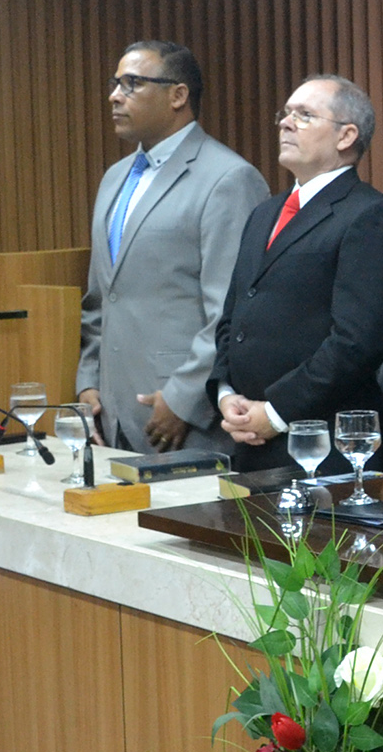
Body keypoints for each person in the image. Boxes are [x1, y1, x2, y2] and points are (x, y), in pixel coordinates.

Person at [210, 76, 383, 472]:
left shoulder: (371, 215)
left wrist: (276, 412)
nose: (286, 123)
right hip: (248, 440)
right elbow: (234, 315)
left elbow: (357, 341)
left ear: (346, 136)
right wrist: (224, 391)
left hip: (328, 447)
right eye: (286, 114)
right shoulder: (264, 213)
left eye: (304, 115)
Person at [78, 40, 267, 455]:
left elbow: (233, 309)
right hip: (111, 413)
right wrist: (88, 382)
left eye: (132, 83)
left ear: (178, 95)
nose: (115, 96)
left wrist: (184, 397)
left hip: (184, 418)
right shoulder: (114, 178)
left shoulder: (228, 178)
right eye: (115, 83)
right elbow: (101, 297)